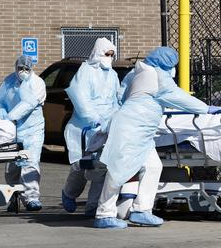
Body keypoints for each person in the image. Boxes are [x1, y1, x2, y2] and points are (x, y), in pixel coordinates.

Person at [94, 46, 220, 229]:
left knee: (153, 166)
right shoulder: (157, 77)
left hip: (143, 130)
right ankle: (104, 214)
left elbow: (124, 95)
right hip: (132, 127)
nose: (173, 68)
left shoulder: (139, 73)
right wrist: (205, 108)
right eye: (173, 64)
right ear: (165, 63)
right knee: (119, 171)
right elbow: (176, 96)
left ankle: (141, 210)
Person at [62, 37, 121, 217]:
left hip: (106, 126)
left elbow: (116, 100)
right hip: (85, 127)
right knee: (81, 166)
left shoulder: (112, 75)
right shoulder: (85, 71)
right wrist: (93, 119)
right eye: (106, 54)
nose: (109, 58)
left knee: (102, 167)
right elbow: (80, 98)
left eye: (112, 55)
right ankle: (69, 193)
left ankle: (93, 205)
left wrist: (116, 119)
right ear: (98, 53)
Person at [0, 55, 46, 211]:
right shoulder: (9, 82)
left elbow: (28, 104)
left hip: (32, 130)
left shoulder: (37, 83)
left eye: (26, 69)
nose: (23, 71)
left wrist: (9, 118)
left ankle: (32, 198)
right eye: (20, 68)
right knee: (12, 167)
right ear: (15, 68)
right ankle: (13, 196)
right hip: (12, 130)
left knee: (31, 163)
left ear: (31, 69)